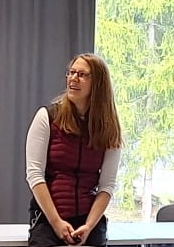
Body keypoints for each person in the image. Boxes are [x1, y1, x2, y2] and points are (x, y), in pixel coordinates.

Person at [25, 53, 123, 246]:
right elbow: (35, 175)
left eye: (82, 74)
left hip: (89, 220)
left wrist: (89, 226)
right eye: (71, 73)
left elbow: (107, 185)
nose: (73, 78)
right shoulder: (47, 117)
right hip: (48, 218)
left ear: (98, 84)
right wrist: (56, 223)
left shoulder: (109, 128)